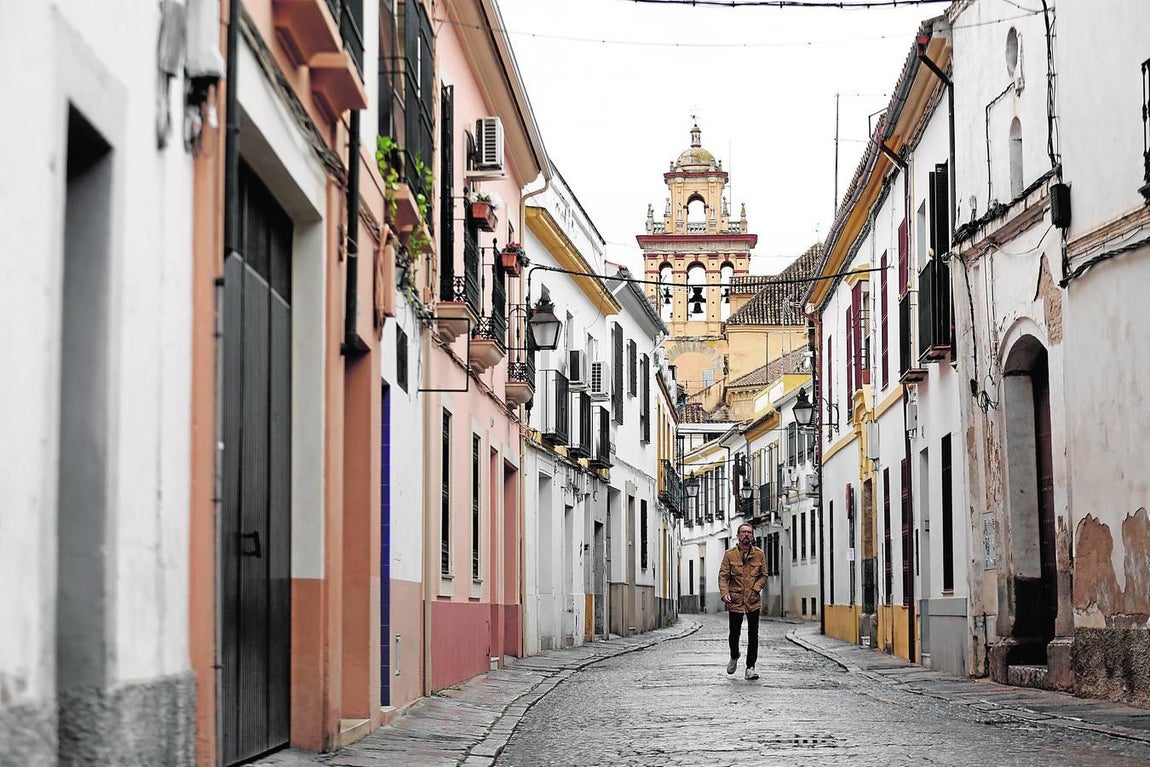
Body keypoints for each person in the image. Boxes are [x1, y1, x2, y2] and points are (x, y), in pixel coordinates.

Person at [719, 522, 767, 680]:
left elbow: (763, 575)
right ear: (738, 536)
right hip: (735, 599)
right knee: (734, 633)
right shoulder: (729, 554)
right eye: (743, 532)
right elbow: (723, 576)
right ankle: (734, 655)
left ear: (752, 536)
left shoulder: (759, 554)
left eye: (749, 532)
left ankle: (750, 667)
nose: (746, 535)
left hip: (753, 600)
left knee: (754, 634)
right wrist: (725, 593)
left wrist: (756, 589)